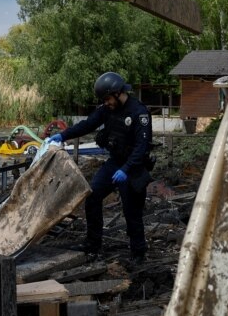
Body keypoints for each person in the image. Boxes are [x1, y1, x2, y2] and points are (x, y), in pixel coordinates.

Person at [47, 72, 152, 264]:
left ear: (118, 93)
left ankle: (138, 253)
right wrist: (63, 136)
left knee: (132, 211)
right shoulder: (107, 109)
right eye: (103, 100)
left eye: (107, 99)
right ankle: (93, 244)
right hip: (115, 162)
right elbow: (87, 125)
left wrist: (126, 169)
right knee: (92, 196)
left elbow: (141, 147)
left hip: (133, 166)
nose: (106, 103)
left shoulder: (139, 112)